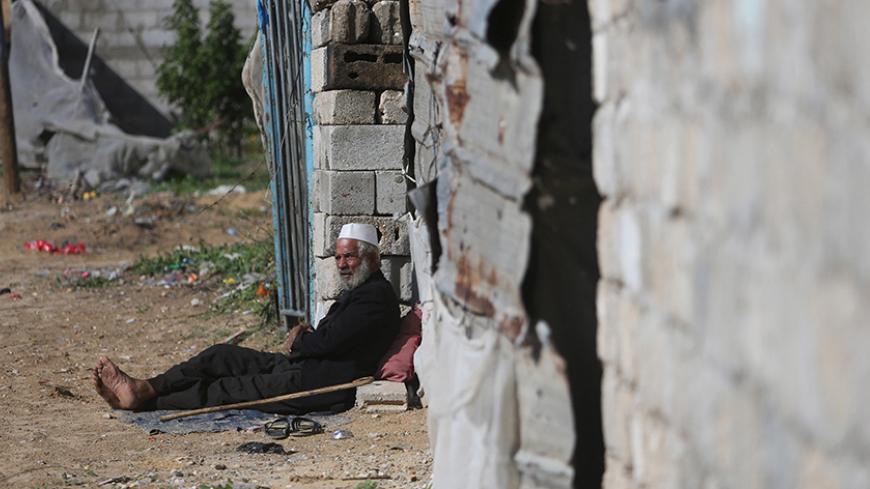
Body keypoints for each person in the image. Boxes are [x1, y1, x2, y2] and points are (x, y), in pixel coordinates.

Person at [92, 223, 400, 414]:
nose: (343, 264)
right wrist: (305, 339)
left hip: (318, 383)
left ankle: (145, 402)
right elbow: (327, 338)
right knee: (220, 356)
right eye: (339, 258)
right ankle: (146, 386)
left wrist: (300, 338)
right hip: (302, 366)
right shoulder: (359, 291)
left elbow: (326, 341)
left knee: (227, 390)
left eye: (350, 257)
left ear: (372, 258)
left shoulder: (375, 297)